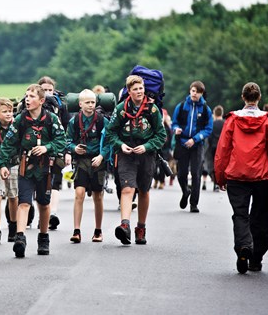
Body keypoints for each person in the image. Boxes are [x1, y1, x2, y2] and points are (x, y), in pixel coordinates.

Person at [214, 82, 268, 274]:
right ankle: (256, 258)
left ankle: (243, 247)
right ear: (259, 98)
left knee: (240, 215)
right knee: (261, 216)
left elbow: (222, 151)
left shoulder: (232, 120)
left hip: (237, 176)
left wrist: (220, 177)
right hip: (262, 178)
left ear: (243, 98)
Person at [0, 84, 66, 257]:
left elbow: (61, 141)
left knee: (44, 204)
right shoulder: (20, 120)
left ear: (41, 100)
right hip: (25, 168)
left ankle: (43, 238)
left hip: (45, 169)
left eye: (32, 96)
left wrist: (47, 147)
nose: (27, 99)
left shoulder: (52, 119)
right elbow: (8, 143)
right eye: (26, 96)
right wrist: (3, 164)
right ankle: (20, 238)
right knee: (24, 202)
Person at [105, 75, 166, 245]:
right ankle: (125, 225)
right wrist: (120, 145)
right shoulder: (121, 109)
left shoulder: (152, 109)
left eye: (141, 88)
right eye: (135, 89)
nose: (139, 92)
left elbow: (161, 135)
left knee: (144, 191)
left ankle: (141, 228)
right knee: (127, 188)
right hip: (126, 153)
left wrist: (147, 146)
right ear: (129, 91)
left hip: (146, 154)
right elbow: (110, 132)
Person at [65, 89, 110, 243]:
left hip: (98, 161)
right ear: (80, 104)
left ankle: (98, 231)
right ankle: (76, 230)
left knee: (98, 196)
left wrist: (101, 156)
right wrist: (73, 149)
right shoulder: (74, 121)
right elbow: (67, 140)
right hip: (81, 161)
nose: (91, 105)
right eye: (87, 102)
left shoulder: (102, 120)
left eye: (93, 102)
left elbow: (109, 140)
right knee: (79, 194)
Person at [171, 81, 213, 213]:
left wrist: (195, 139)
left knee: (196, 173)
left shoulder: (206, 109)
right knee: (181, 173)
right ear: (190, 91)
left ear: (201, 93)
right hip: (182, 143)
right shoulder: (182, 106)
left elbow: (208, 129)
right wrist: (176, 129)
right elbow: (174, 123)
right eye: (193, 91)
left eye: (198, 92)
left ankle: (194, 204)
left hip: (197, 145)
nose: (195, 94)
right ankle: (185, 191)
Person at [37, 76, 69, 230]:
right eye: (44, 90)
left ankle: (52, 214)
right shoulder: (32, 105)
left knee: (55, 181)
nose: (48, 93)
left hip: (56, 147)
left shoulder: (60, 106)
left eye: (50, 90)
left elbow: (66, 128)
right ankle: (41, 214)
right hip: (37, 149)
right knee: (39, 183)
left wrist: (66, 150)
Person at [0, 98, 20, 244]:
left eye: (11, 111)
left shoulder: (17, 125)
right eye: (5, 112)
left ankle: (13, 226)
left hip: (13, 163)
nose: (8, 114)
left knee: (13, 196)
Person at [206, 105, 224, 191]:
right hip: (222, 147)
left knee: (213, 164)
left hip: (213, 146)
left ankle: (215, 183)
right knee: (220, 165)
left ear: (214, 114)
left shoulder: (212, 124)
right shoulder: (225, 123)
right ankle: (220, 182)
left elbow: (209, 136)